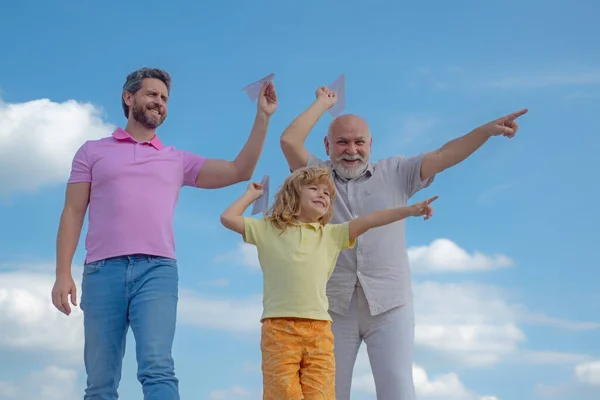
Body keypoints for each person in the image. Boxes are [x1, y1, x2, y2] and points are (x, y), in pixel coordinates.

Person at [279, 85, 527, 400]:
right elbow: (288, 140)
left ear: (371, 144)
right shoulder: (313, 179)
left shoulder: (396, 172)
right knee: (324, 393)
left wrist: (485, 132)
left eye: (358, 142)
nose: (351, 150)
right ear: (327, 145)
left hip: (390, 305)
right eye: (341, 142)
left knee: (398, 392)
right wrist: (322, 103)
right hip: (332, 306)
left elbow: (444, 155)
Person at [50, 67, 278, 400]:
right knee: (100, 381)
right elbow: (72, 211)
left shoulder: (177, 160)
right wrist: (62, 273)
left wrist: (263, 116)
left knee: (158, 369)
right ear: (129, 98)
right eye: (152, 94)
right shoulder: (91, 152)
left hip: (156, 271)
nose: (160, 102)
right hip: (101, 272)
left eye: (165, 98)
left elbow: (239, 170)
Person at [220, 165, 438, 399]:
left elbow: (371, 219)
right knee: (283, 394)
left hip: (321, 331)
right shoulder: (268, 229)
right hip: (279, 330)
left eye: (326, 193)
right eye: (314, 188)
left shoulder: (332, 235)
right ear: (293, 195)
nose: (322, 195)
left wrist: (410, 210)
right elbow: (228, 218)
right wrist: (251, 195)